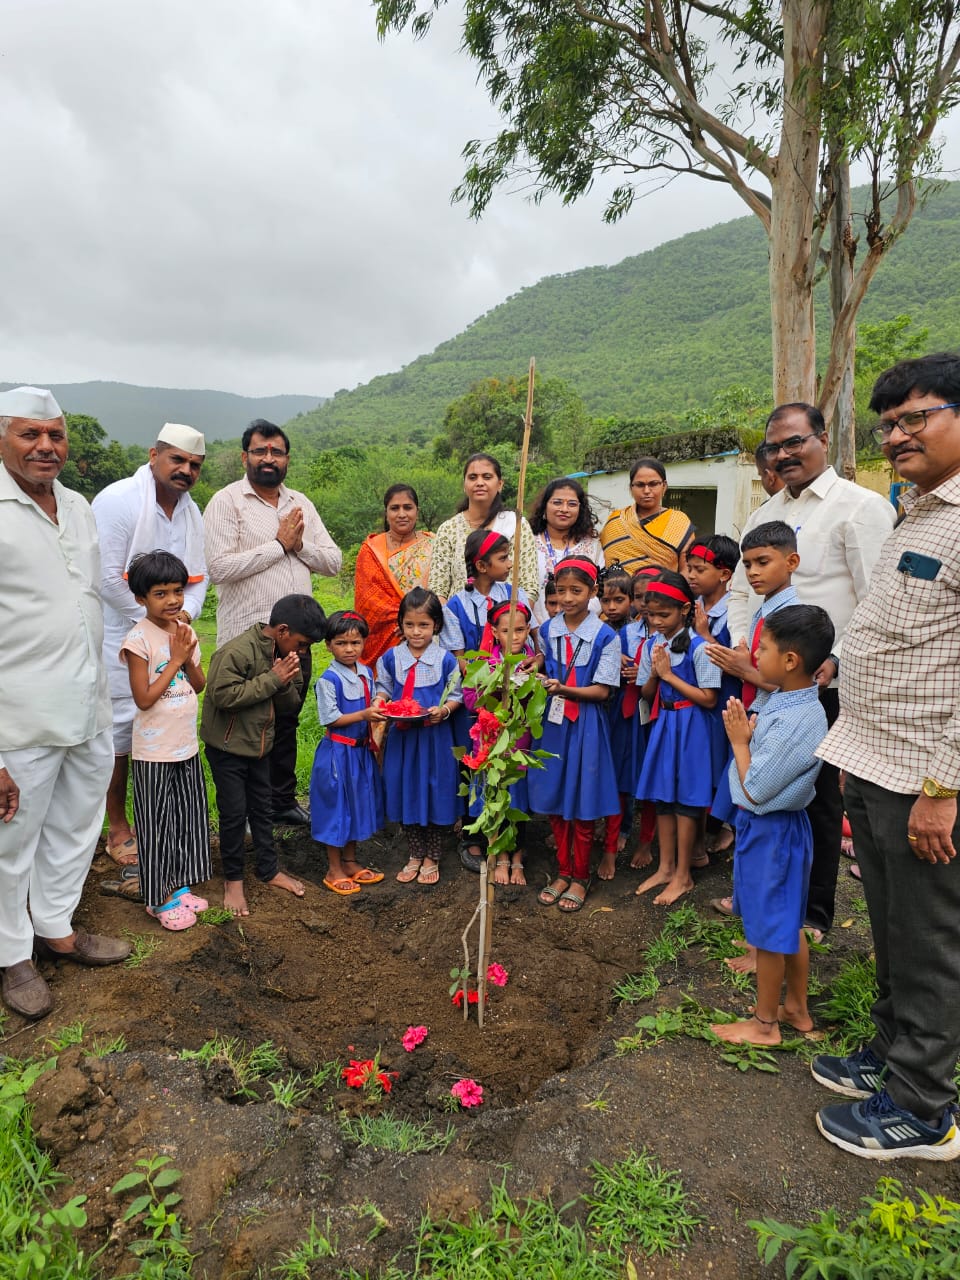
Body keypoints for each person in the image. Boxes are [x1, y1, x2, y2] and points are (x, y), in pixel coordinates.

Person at [811, 353, 960, 1162]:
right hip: (875, 759)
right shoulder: (919, 512)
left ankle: (923, 1109)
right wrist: (851, 748)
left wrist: (945, 787)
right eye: (890, 423)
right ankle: (893, 1053)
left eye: (917, 417)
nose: (899, 434)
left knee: (932, 937)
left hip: (926, 777)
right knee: (894, 927)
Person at [727, 404, 896, 939]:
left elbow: (878, 599)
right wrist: (747, 652)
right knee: (764, 783)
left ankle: (812, 911)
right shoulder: (764, 514)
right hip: (769, 680)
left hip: (829, 683)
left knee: (819, 799)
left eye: (795, 443)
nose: (784, 455)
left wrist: (837, 658)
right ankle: (764, 889)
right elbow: (737, 590)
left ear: (822, 439)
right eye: (775, 447)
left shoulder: (860, 507)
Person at [0, 386, 130, 1019]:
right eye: (29, 434)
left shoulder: (78, 507)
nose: (45, 446)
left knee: (76, 827)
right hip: (17, 718)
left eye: (54, 434)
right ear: (3, 438)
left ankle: (56, 930)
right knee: (9, 840)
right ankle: (11, 956)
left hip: (87, 701)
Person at [204, 419, 341, 826]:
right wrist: (278, 546)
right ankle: (248, 810)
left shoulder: (300, 503)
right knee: (247, 726)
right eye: (260, 451)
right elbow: (220, 567)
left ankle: (281, 801)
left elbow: (333, 562)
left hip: (296, 641)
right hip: (249, 641)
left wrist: (300, 546)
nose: (268, 458)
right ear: (245, 456)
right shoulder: (226, 502)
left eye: (276, 451)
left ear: (287, 459)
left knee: (286, 722)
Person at [709, 605, 833, 1047]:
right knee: (788, 922)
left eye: (762, 647)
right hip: (779, 831)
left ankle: (765, 1025)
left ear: (791, 660)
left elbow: (757, 787)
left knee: (768, 932)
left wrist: (741, 741)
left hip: (772, 831)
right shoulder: (788, 700)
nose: (754, 654)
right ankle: (795, 1009)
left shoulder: (798, 717)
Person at [93, 422, 207, 870]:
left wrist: (184, 617)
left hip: (173, 636)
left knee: (169, 723)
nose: (185, 470)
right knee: (121, 732)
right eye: (177, 459)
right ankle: (118, 827)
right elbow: (105, 578)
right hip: (120, 636)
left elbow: (197, 578)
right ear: (153, 455)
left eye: (194, 464)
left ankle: (165, 825)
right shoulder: (119, 501)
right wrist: (151, 622)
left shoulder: (190, 512)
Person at [706, 521, 802, 950]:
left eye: (763, 561)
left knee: (760, 821)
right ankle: (747, 910)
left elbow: (784, 680)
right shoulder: (767, 608)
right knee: (745, 819)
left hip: (769, 721)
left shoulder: (791, 615)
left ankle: (763, 936)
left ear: (792, 561)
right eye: (748, 564)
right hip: (755, 718)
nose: (754, 572)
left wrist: (744, 668)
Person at [200, 593, 327, 917]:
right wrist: (273, 678)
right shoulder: (236, 652)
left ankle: (269, 870)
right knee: (233, 813)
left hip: (260, 746)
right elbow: (221, 695)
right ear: (282, 630)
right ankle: (233, 881)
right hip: (228, 748)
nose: (302, 652)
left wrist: (283, 682)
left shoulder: (287, 656)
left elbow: (290, 704)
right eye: (300, 644)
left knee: (262, 808)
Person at [119, 552, 211, 931]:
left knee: (184, 819)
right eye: (161, 593)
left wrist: (187, 658)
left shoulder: (184, 633)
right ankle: (157, 899)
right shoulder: (138, 639)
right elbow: (143, 698)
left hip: (185, 746)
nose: (172, 600)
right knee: (155, 825)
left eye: (178, 591)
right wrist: (174, 660)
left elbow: (200, 684)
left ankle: (177, 885)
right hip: (154, 752)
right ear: (141, 598)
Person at [529, 558, 621, 913]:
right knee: (553, 793)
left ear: (593, 592)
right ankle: (562, 871)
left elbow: (602, 691)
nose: (567, 598)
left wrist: (563, 689)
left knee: (582, 800)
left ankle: (580, 875)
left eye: (576, 591)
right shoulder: (549, 629)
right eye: (561, 590)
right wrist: (537, 664)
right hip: (554, 723)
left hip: (585, 723)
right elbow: (548, 660)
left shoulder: (605, 636)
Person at [633, 572, 722, 906]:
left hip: (692, 726)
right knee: (663, 798)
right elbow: (645, 691)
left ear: (685, 610)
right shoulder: (653, 646)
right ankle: (666, 867)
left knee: (686, 800)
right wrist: (656, 674)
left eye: (663, 615)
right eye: (650, 615)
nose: (656, 621)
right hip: (665, 724)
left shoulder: (702, 649)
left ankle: (684, 875)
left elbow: (709, 698)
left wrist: (669, 674)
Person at [376, 588, 463, 886]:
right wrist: (380, 702)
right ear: (400, 624)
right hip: (402, 738)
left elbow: (456, 695)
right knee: (404, 786)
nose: (416, 632)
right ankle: (414, 852)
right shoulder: (390, 658)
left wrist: (444, 711)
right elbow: (384, 688)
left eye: (423, 625)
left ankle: (433, 855)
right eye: (409, 624)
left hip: (434, 738)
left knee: (436, 788)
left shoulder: (445, 660)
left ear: (436, 626)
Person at [462, 599, 539, 887]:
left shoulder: (532, 659)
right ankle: (499, 855)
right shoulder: (482, 661)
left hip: (520, 741)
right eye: (507, 631)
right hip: (490, 742)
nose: (514, 637)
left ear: (528, 629)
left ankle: (516, 857)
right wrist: (496, 686)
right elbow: (470, 699)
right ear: (494, 632)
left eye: (520, 630)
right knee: (494, 797)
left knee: (517, 799)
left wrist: (532, 681)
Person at [309, 611, 385, 896]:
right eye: (342, 643)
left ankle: (351, 862)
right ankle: (333, 868)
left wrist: (378, 704)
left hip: (360, 753)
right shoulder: (328, 680)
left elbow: (374, 698)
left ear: (364, 642)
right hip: (338, 754)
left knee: (357, 806)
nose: (349, 649)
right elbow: (330, 718)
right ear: (329, 645)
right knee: (337, 809)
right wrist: (365, 714)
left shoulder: (365, 672)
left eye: (355, 642)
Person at [687, 535, 743, 856]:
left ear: (724, 574)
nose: (692, 575)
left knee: (724, 758)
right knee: (705, 759)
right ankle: (708, 825)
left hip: (726, 696)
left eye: (700, 569)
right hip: (698, 695)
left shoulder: (734, 610)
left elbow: (737, 658)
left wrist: (706, 636)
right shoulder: (693, 605)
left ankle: (725, 825)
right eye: (689, 568)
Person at [429, 453, 538, 601]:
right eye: (472, 477)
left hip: (508, 619)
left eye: (487, 477)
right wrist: (452, 622)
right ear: (464, 485)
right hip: (459, 620)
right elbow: (438, 589)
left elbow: (529, 587)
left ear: (500, 484)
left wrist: (512, 621)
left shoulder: (517, 525)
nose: (479, 482)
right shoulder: (449, 530)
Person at [598, 564, 648, 879]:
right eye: (607, 601)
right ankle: (607, 825)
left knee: (627, 772)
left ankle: (625, 828)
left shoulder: (634, 630)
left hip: (631, 708)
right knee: (609, 769)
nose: (613, 607)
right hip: (607, 708)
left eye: (619, 600)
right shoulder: (601, 630)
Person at [354, 484, 434, 667]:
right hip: (384, 640)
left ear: (417, 511)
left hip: (427, 634)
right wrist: (402, 622)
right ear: (386, 512)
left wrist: (415, 623)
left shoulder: (433, 545)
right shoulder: (371, 550)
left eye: (408, 507)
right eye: (394, 508)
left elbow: (441, 591)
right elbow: (368, 603)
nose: (402, 514)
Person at [446, 529, 533, 661]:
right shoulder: (455, 607)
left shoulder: (514, 594)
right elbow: (458, 659)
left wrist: (537, 661)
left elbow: (537, 637)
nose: (510, 564)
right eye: (503, 558)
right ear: (481, 566)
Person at [599, 457, 696, 575]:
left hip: (664, 591)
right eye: (640, 485)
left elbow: (687, 569)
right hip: (619, 592)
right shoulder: (616, 521)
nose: (646, 490)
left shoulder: (678, 522)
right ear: (631, 488)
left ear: (664, 486)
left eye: (653, 484)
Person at [529, 478, 602, 623]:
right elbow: (519, 590)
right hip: (534, 631)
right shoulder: (527, 543)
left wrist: (572, 623)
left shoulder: (594, 547)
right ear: (544, 506)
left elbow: (600, 593)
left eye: (572, 504)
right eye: (557, 502)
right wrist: (535, 628)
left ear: (580, 510)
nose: (564, 509)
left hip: (582, 630)